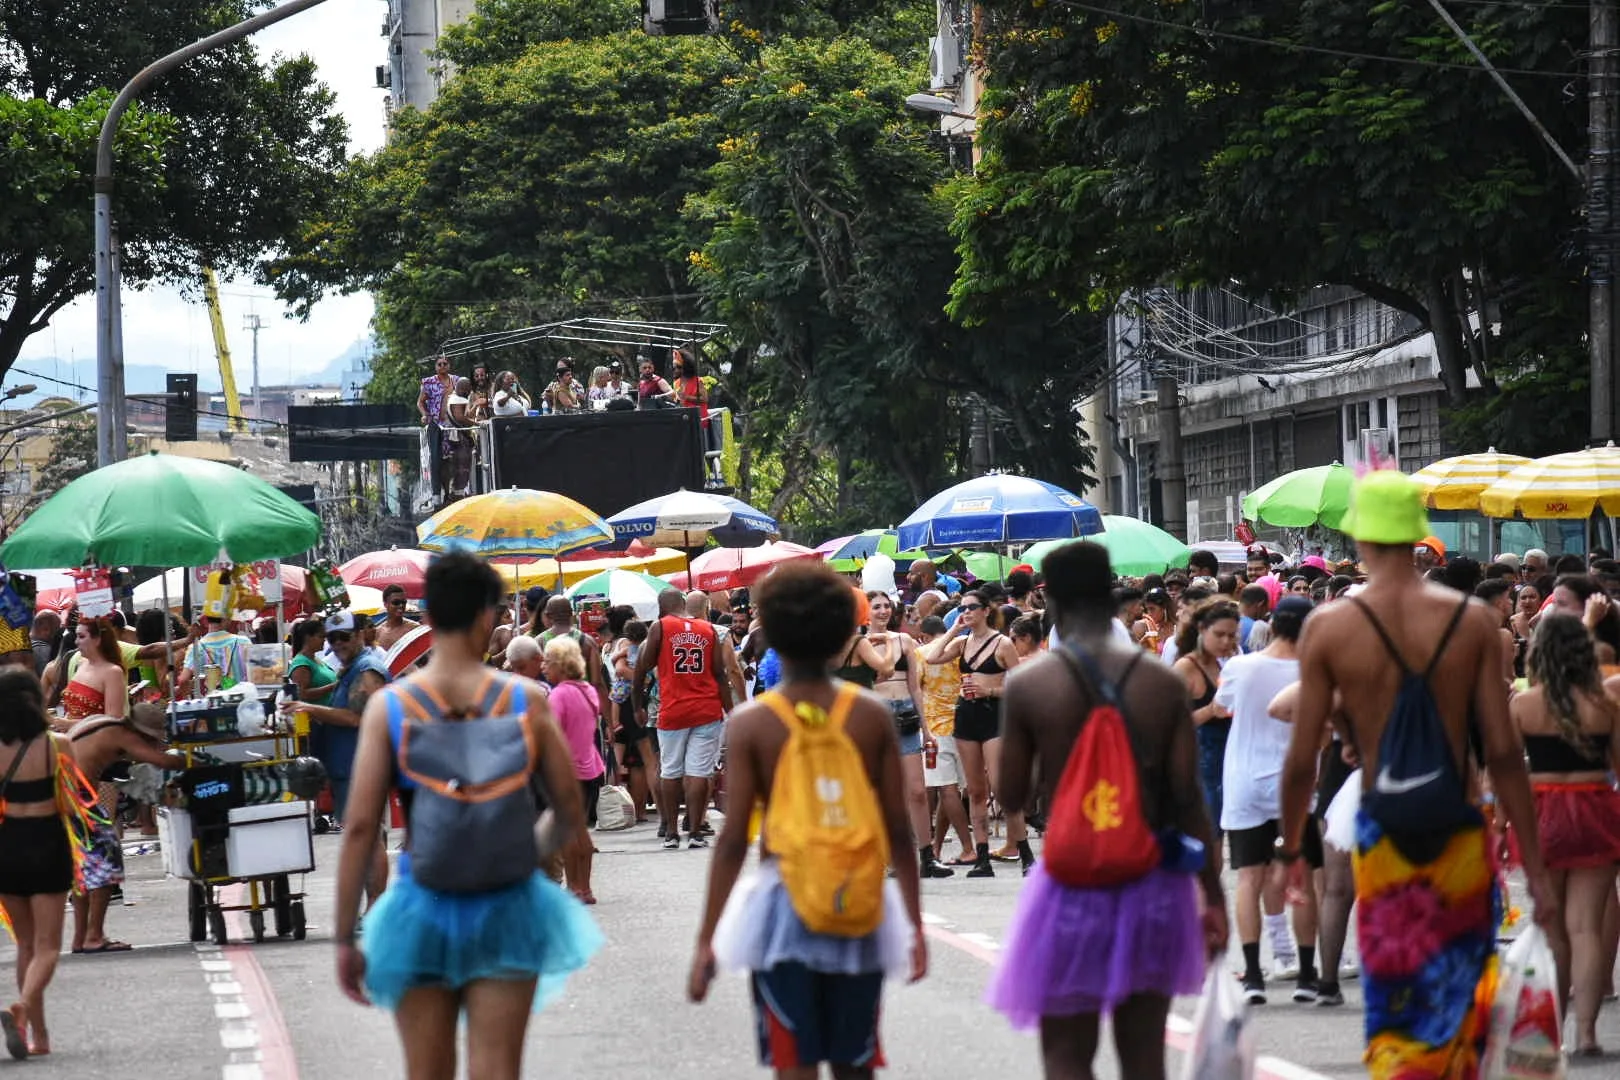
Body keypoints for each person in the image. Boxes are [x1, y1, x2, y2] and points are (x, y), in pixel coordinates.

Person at [1278, 470, 1557, 1080]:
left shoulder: (1330, 627)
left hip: (1384, 837)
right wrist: (1534, 867)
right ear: (1416, 537)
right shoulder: (1474, 622)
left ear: (1360, 542)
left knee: (1396, 993)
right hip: (1460, 829)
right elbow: (1504, 751)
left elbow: (1303, 758)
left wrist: (1293, 847)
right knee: (1461, 991)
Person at [333, 553, 599, 1080]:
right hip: (508, 903)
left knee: (426, 1071)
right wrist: (520, 854)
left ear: (427, 617)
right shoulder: (525, 700)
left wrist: (345, 935)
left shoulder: (392, 706)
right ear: (487, 617)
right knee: (497, 1069)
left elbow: (361, 827)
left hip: (419, 906)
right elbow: (568, 812)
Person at [987, 541, 1225, 1080]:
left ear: (1050, 602)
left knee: (1067, 1055)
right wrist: (1213, 897)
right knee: (1144, 1059)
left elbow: (1012, 795)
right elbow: (1188, 799)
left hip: (1070, 885)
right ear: (1111, 595)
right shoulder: (1162, 682)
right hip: (1153, 882)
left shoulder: (1030, 684)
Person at [686, 561, 926, 1076]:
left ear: (768, 634)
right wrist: (915, 924)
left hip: (781, 906)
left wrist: (707, 938)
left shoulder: (753, 722)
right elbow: (897, 830)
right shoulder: (870, 715)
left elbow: (731, 842)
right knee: (855, 1060)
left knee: (793, 1062)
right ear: (844, 631)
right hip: (859, 902)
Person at [1510, 613, 1620, 1055]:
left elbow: (1506, 765)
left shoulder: (1523, 704)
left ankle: (1550, 1033)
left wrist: (1501, 818)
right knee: (1586, 928)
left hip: (1542, 814)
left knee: (1552, 930)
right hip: (1595, 807)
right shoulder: (1606, 704)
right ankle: (1588, 1033)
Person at [1213, 596, 1319, 1003]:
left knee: (1248, 878)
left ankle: (1254, 975)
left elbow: (1223, 707)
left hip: (1245, 782)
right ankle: (1306, 976)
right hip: (1297, 782)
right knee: (1303, 875)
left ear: (1272, 625)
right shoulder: (1313, 670)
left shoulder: (1241, 666)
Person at [0, 669, 80, 1059]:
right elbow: (71, 803)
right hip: (48, 842)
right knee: (48, 947)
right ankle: (22, 1010)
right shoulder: (59, 744)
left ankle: (40, 1036)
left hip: (7, 846)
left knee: (26, 946)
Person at [921, 590, 1028, 877]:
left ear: (985, 611)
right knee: (975, 790)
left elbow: (1018, 688)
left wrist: (989, 690)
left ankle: (1025, 851)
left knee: (1001, 787)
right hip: (966, 715)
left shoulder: (1003, 643)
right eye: (962, 608)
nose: (966, 612)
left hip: (993, 715)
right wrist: (954, 628)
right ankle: (981, 856)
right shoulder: (961, 641)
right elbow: (931, 658)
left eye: (971, 608)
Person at [65, 705, 176, 956]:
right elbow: (160, 760)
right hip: (78, 797)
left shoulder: (100, 723)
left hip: (61, 795)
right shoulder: (121, 734)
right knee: (108, 862)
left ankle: (81, 937)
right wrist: (193, 760)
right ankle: (94, 937)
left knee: (81, 870)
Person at [295, 612, 391, 901]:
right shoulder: (350, 668)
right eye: (332, 638)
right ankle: (372, 906)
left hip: (361, 767)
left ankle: (375, 907)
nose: (338, 643)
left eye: (344, 637)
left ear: (359, 634)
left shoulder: (366, 669)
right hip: (348, 766)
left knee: (370, 839)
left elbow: (355, 717)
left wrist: (309, 708)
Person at [633, 589, 735, 850]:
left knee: (670, 770)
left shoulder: (661, 627)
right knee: (699, 772)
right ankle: (696, 831)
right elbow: (720, 675)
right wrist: (731, 711)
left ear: (661, 607)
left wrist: (638, 704)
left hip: (673, 711)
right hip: (707, 709)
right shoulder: (708, 629)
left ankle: (671, 832)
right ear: (683, 605)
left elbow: (642, 668)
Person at [867, 592, 951, 880]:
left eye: (886, 606)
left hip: (905, 715)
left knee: (916, 790)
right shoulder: (860, 644)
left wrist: (927, 729)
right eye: (876, 606)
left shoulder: (905, 641)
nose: (882, 611)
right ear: (865, 611)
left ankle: (927, 856)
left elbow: (916, 687)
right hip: (876, 717)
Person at [1171, 600, 1240, 858]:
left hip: (1227, 761)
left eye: (1231, 636)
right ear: (1202, 630)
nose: (1226, 642)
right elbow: (1171, 722)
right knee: (1205, 846)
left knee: (1217, 844)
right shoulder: (1186, 667)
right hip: (1200, 764)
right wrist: (1211, 710)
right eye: (1219, 635)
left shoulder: (1227, 662)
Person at [543, 636, 605, 906]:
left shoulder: (559, 695)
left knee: (567, 832)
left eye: (548, 662)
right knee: (581, 830)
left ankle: (575, 888)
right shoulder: (587, 690)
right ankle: (586, 887)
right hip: (590, 766)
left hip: (568, 770)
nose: (544, 667)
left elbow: (550, 735)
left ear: (560, 664)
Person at [915, 616, 975, 867]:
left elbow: (915, 688)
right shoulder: (962, 646)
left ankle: (968, 848)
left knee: (946, 791)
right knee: (950, 790)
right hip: (963, 724)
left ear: (925, 636)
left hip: (935, 729)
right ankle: (937, 848)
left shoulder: (921, 653)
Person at [59, 618, 126, 723]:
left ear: (98, 639)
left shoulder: (113, 672)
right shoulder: (81, 663)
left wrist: (70, 725)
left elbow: (113, 721)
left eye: (81, 636)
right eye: (77, 636)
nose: (76, 642)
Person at [176, 614, 252, 696]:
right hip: (243, 701)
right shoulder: (244, 642)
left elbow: (183, 680)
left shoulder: (196, 648)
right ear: (227, 619)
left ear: (206, 620)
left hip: (212, 704)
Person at [417, 355, 456, 503]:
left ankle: (453, 491)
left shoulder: (457, 381)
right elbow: (420, 402)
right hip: (436, 424)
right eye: (439, 364)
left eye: (445, 363)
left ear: (449, 365)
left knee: (453, 458)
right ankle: (436, 495)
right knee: (436, 459)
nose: (442, 366)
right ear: (435, 367)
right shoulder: (428, 382)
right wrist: (425, 414)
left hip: (453, 424)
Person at [287, 618, 338, 703]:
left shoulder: (316, 659)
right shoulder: (301, 663)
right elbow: (302, 695)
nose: (324, 640)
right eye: (321, 636)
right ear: (308, 637)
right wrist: (333, 687)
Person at [374, 585, 421, 653]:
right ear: (385, 604)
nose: (401, 605)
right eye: (396, 603)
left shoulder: (415, 628)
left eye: (403, 602)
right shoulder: (377, 633)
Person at [28, 612, 58, 678]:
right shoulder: (42, 649)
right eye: (56, 629)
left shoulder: (20, 645)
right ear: (46, 629)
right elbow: (49, 678)